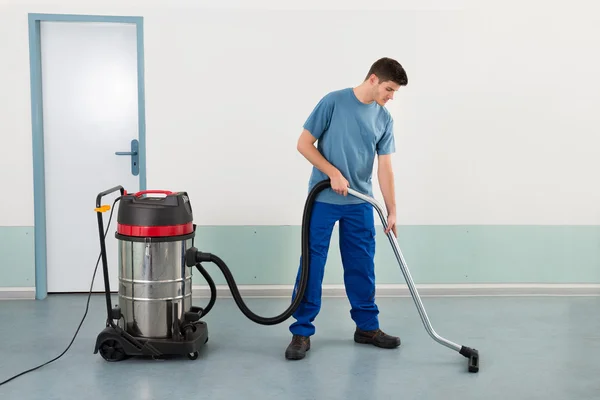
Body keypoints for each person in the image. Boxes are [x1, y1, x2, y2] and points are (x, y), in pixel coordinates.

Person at [285, 57, 408, 360]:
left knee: (362, 266)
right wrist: (332, 172)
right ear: (373, 80)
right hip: (323, 199)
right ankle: (301, 332)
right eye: (389, 89)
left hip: (360, 203)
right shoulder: (333, 102)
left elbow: (385, 168)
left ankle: (367, 328)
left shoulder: (384, 119)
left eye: (394, 92)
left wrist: (391, 210)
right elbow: (303, 143)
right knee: (312, 266)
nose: (391, 97)